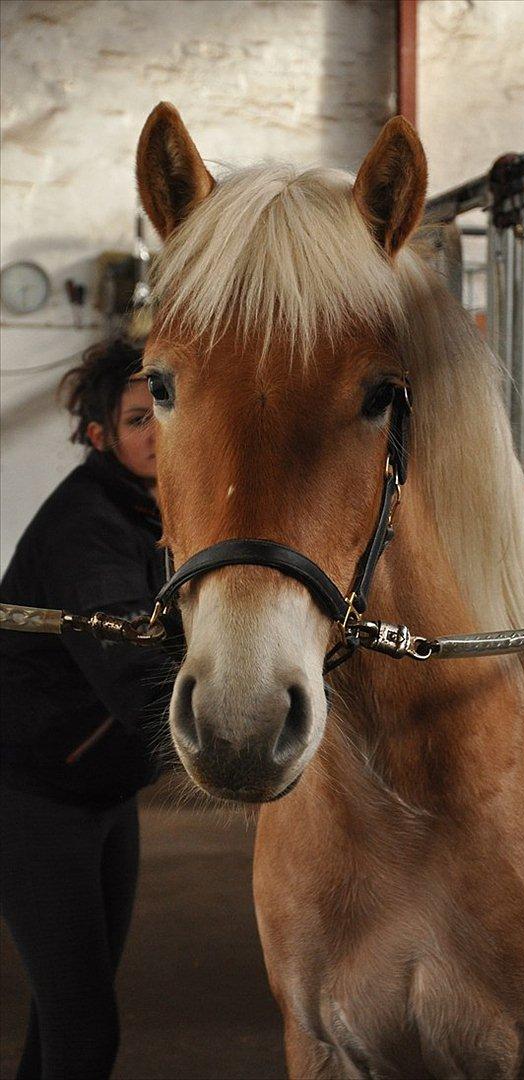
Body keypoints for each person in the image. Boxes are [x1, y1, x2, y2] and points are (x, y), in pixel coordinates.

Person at [0, 337, 177, 1080]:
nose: (156, 433)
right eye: (137, 419)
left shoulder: (152, 508)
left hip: (100, 790)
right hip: (33, 799)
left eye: (164, 411)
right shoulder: (91, 526)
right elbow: (136, 679)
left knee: (68, 1015)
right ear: (99, 436)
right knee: (84, 1032)